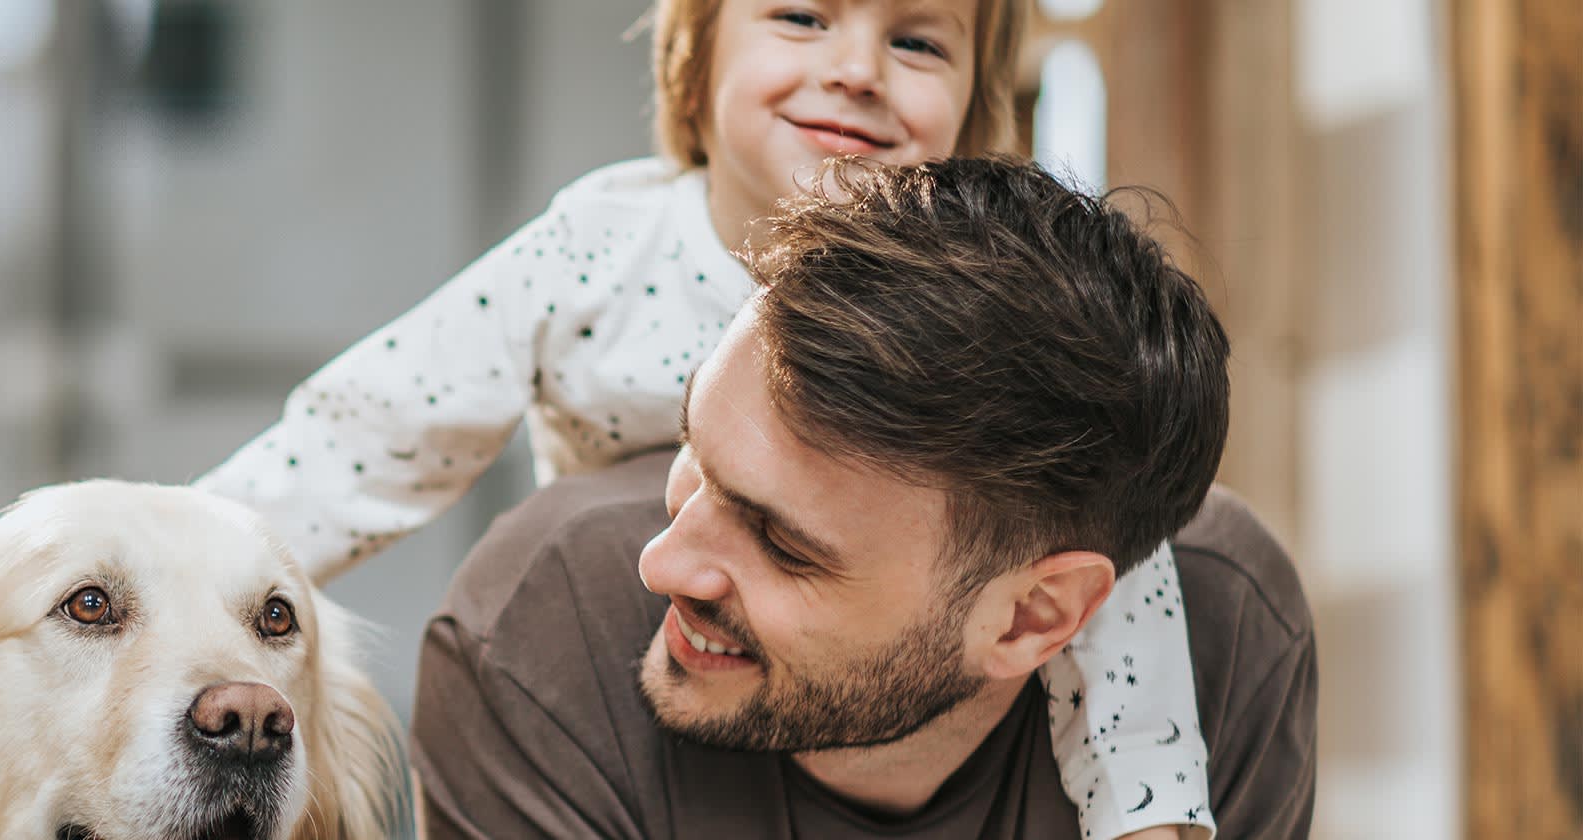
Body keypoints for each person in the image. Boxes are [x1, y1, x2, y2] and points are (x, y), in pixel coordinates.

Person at [192, 1, 1211, 835]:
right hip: (649, 681)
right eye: (803, 18)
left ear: (975, 104)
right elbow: (372, 429)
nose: (858, 68)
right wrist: (181, 572)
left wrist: (1149, 817)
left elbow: (1105, 561)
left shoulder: (997, 336)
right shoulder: (601, 249)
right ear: (694, 54)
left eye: (916, 41)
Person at [406, 157, 1315, 839]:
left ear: (1032, 616)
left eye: (783, 543)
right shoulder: (536, 639)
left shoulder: (1225, 635)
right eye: (696, 450)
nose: (665, 560)